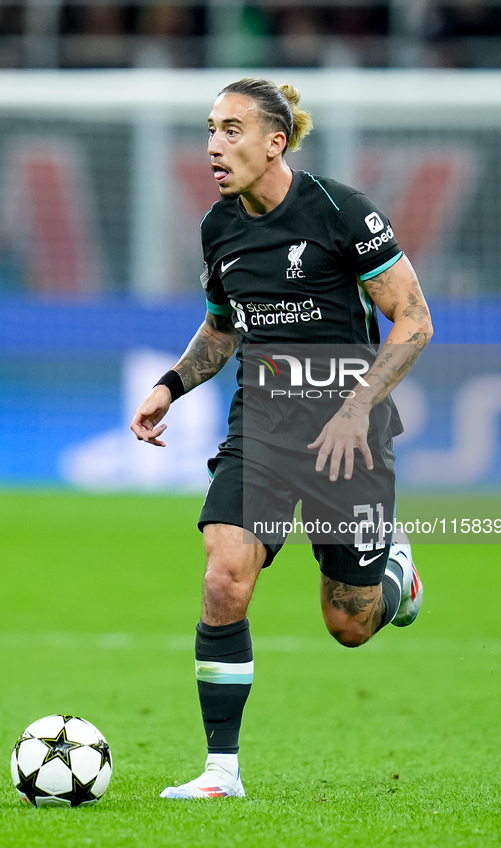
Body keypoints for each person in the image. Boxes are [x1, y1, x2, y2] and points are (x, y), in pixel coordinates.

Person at [130, 78, 433, 800]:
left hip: (345, 434)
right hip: (262, 424)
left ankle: (396, 573)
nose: (212, 145)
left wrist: (359, 407)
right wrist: (169, 385)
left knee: (348, 624)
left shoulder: (340, 212)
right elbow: (222, 327)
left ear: (275, 141)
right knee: (223, 572)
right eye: (209, 129)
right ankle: (220, 771)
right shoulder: (219, 227)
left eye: (231, 129)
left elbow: (413, 320)